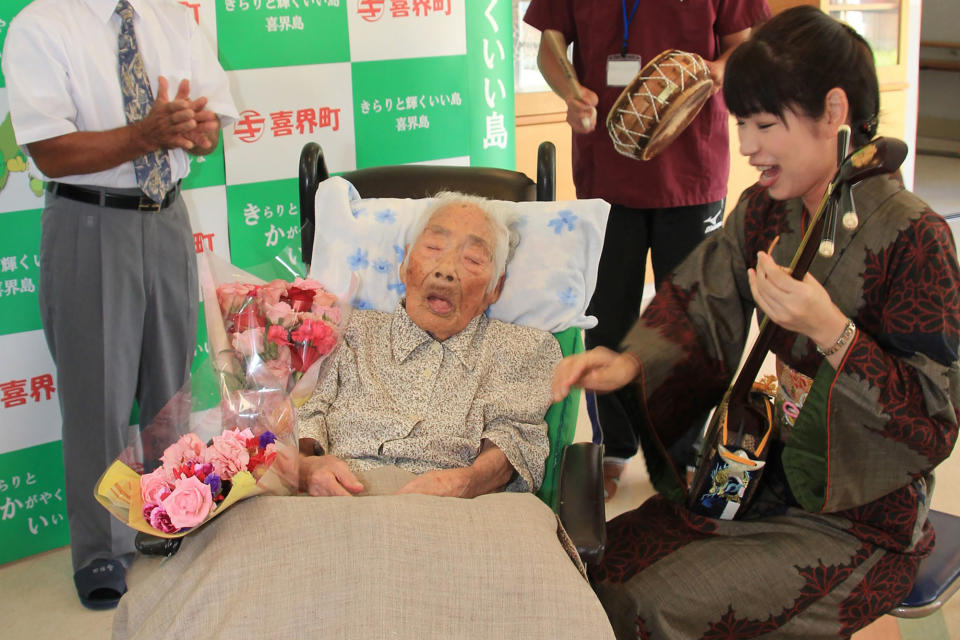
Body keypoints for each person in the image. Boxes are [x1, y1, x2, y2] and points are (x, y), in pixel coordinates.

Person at [551, 6, 960, 638]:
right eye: (740, 123)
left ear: (834, 112)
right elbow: (701, 297)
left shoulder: (917, 237)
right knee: (584, 563)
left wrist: (833, 332)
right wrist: (630, 361)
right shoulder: (766, 212)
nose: (746, 147)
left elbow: (933, 420)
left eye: (765, 124)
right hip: (756, 475)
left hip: (860, 517)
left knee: (642, 608)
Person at [2, 0, 238, 610]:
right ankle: (101, 551)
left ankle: (168, 520)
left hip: (166, 218)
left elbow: (207, 130)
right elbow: (50, 152)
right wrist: (145, 135)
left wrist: (196, 131)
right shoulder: (41, 24)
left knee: (170, 388)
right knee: (97, 398)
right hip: (89, 222)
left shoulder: (172, 19)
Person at [524, 0, 771, 500]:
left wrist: (707, 75)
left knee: (689, 321)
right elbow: (550, 41)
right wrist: (570, 91)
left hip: (692, 169)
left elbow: (743, 48)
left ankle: (679, 450)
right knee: (608, 317)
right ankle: (613, 446)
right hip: (605, 168)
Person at [298, 193, 562, 498]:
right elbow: (301, 418)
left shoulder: (524, 349)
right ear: (404, 263)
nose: (446, 270)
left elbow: (514, 440)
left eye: (473, 259)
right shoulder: (346, 330)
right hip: (341, 499)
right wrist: (306, 470)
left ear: (496, 288)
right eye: (434, 248)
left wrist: (467, 481)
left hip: (461, 509)